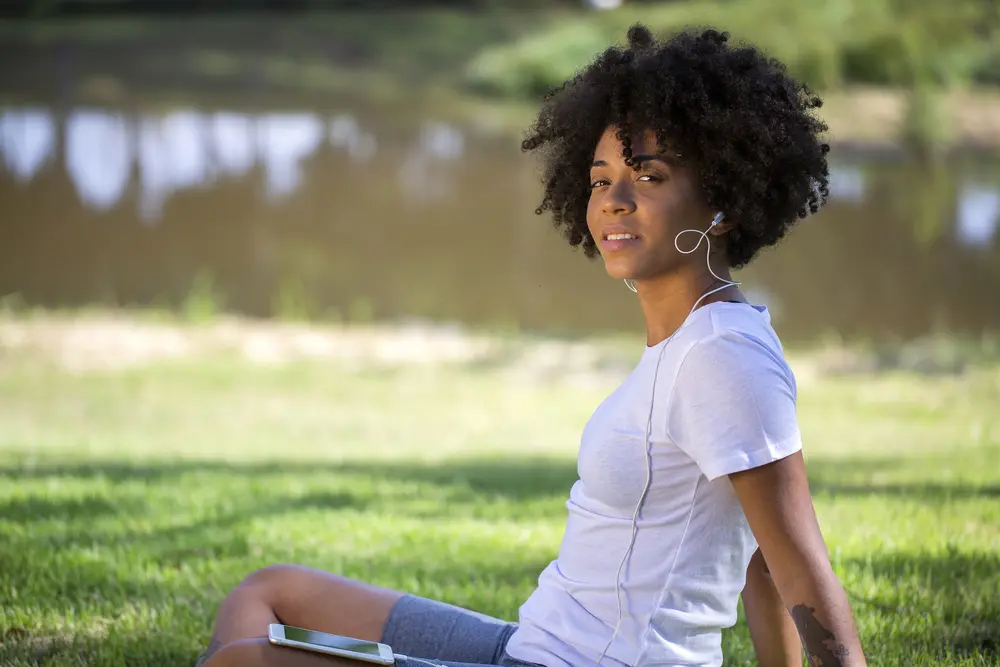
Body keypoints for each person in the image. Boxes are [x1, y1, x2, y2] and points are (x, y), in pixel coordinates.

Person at [198, 24, 867, 667]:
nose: (615, 200)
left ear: (722, 204)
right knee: (269, 593)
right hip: (529, 645)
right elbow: (753, 553)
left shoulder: (723, 353)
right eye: (602, 179)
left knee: (247, 661)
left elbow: (794, 564)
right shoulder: (688, 341)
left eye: (650, 176)